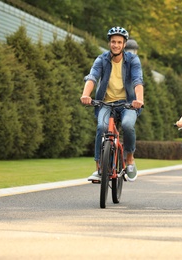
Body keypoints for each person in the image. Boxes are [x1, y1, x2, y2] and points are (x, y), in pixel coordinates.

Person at [80, 26, 144, 183]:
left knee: (128, 125)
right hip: (105, 103)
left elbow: (137, 80)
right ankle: (98, 169)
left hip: (128, 104)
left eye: (119, 42)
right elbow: (92, 77)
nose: (116, 45)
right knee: (101, 128)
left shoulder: (132, 60)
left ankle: (129, 158)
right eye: (113, 41)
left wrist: (139, 100)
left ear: (124, 45)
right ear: (109, 43)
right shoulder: (102, 59)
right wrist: (85, 94)